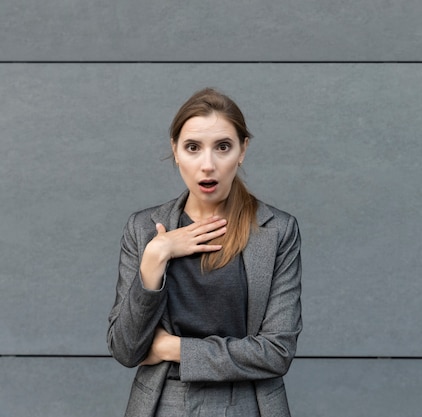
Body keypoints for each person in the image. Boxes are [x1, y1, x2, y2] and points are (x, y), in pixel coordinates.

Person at [107, 87, 302, 417]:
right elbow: (126, 349)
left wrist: (174, 347)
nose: (207, 165)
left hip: (248, 403)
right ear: (176, 151)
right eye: (193, 148)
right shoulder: (143, 229)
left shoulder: (278, 231)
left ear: (242, 150)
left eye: (223, 147)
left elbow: (276, 352)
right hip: (161, 403)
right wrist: (155, 258)